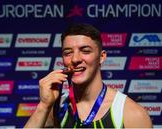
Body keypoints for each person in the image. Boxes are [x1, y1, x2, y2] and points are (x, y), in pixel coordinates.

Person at [24, 23, 152, 128]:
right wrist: (44, 105)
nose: (75, 59)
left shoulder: (132, 114)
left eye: (85, 51)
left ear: (102, 57)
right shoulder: (57, 108)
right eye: (68, 53)